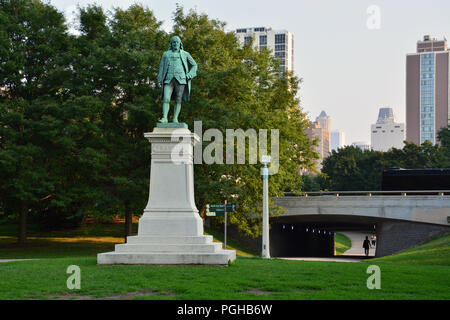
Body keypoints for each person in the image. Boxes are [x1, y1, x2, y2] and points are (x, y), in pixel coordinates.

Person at [157, 35, 198, 124]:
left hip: (181, 79)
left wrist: (190, 74)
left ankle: (175, 118)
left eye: (177, 42)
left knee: (178, 99)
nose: (175, 44)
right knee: (166, 98)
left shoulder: (185, 54)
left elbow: (195, 65)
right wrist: (160, 79)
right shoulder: (166, 54)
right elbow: (161, 67)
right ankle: (164, 118)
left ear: (180, 43)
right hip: (168, 79)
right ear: (171, 44)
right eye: (173, 42)